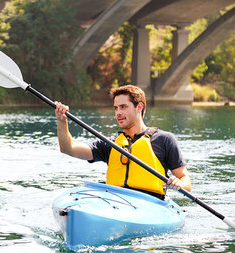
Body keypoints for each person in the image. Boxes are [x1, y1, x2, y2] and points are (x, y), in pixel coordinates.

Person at [54, 84, 191, 200]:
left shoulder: (164, 140)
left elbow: (186, 182)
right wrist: (62, 121)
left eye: (123, 107)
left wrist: (178, 183)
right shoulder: (110, 144)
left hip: (149, 204)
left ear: (139, 107)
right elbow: (68, 148)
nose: (118, 112)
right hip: (115, 201)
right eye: (116, 108)